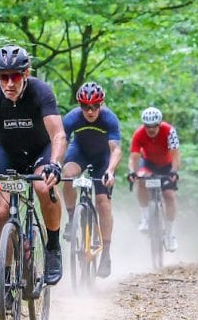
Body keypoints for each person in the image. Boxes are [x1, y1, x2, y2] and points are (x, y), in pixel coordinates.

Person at [0, 44, 66, 286]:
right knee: (2, 212)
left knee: (42, 188)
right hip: (8, 156)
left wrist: (55, 164)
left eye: (15, 76)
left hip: (41, 152)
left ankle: (53, 247)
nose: (9, 83)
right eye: (3, 77)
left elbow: (58, 134)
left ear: (26, 73)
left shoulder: (41, 91)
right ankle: (5, 283)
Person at [61, 82, 122, 278]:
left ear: (101, 104)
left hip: (102, 159)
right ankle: (72, 218)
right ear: (80, 106)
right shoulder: (71, 118)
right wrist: (55, 163)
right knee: (67, 175)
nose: (90, 111)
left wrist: (110, 171)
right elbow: (60, 142)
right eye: (85, 106)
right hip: (79, 152)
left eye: (95, 106)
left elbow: (116, 149)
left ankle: (105, 253)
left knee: (103, 203)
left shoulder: (109, 119)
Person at [127, 106, 180, 252]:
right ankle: (145, 218)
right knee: (141, 180)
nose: (151, 129)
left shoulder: (169, 131)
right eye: (147, 126)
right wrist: (132, 172)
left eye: (154, 126)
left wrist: (174, 171)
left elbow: (175, 155)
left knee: (169, 196)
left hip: (166, 165)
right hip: (148, 164)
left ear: (160, 123)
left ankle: (170, 234)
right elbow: (134, 158)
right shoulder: (138, 134)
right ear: (144, 125)